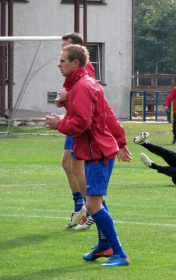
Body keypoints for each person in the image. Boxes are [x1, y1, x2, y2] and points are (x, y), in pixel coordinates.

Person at [46, 44, 132, 266]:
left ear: (75, 63)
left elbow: (82, 124)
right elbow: (107, 114)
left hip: (98, 153)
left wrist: (59, 124)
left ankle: (119, 254)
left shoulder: (83, 86)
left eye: (62, 60)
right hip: (97, 151)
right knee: (96, 201)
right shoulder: (83, 86)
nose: (59, 64)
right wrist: (68, 102)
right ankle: (104, 247)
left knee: (93, 204)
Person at [56, 32, 96, 231]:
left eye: (66, 46)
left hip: (81, 123)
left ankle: (92, 210)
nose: (62, 50)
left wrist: (68, 95)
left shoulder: (85, 68)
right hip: (73, 119)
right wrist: (65, 99)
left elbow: (88, 93)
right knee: (67, 164)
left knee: (77, 166)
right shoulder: (69, 69)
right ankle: (80, 206)